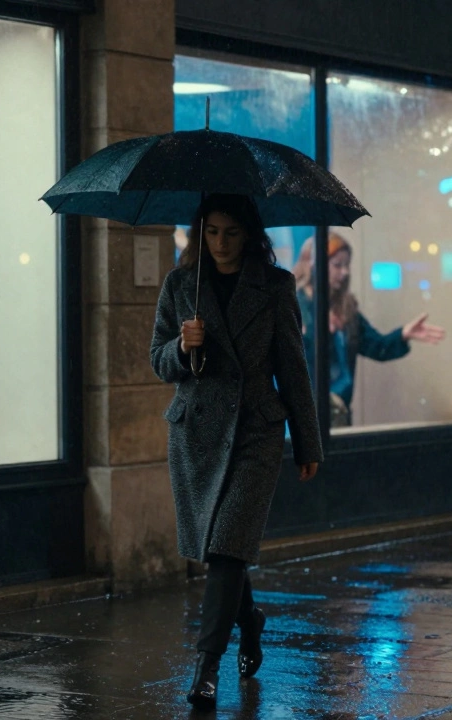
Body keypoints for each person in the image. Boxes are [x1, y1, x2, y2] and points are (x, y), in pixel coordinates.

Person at [150, 194, 323, 711]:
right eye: (211, 232)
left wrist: (307, 441)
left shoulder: (275, 287)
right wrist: (183, 346)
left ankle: (206, 667)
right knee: (219, 547)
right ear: (200, 233)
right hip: (196, 434)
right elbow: (158, 361)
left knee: (227, 546)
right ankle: (249, 619)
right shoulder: (181, 286)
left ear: (249, 234)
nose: (220, 243)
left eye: (230, 232)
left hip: (254, 432)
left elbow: (292, 366)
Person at [292, 234, 446, 426]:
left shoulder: (346, 309)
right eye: (337, 265)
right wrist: (314, 330)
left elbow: (376, 346)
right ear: (315, 264)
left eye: (347, 265)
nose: (345, 272)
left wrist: (403, 335)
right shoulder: (295, 305)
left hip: (338, 414)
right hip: (301, 419)